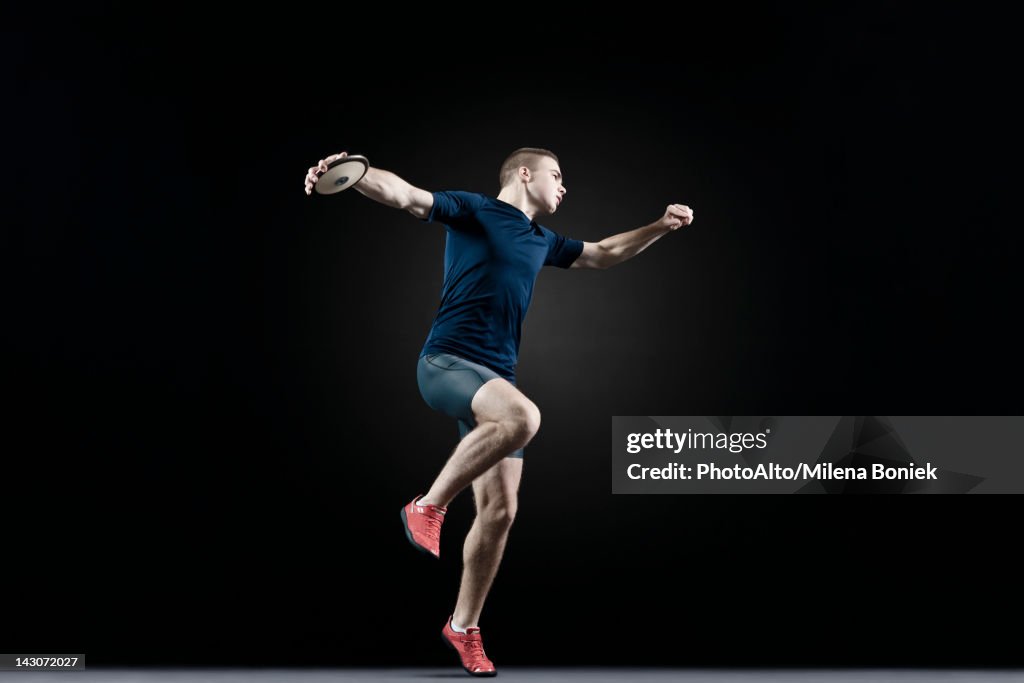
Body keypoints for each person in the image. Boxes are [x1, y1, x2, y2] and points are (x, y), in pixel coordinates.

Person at [304, 148, 693, 676]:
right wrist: (357, 175)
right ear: (525, 174)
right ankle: (428, 506)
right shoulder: (475, 209)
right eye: (557, 175)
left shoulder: (542, 240)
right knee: (524, 418)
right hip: (446, 363)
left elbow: (603, 252)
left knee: (501, 512)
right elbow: (405, 195)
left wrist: (661, 226)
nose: (563, 187)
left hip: (495, 381)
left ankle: (463, 627)